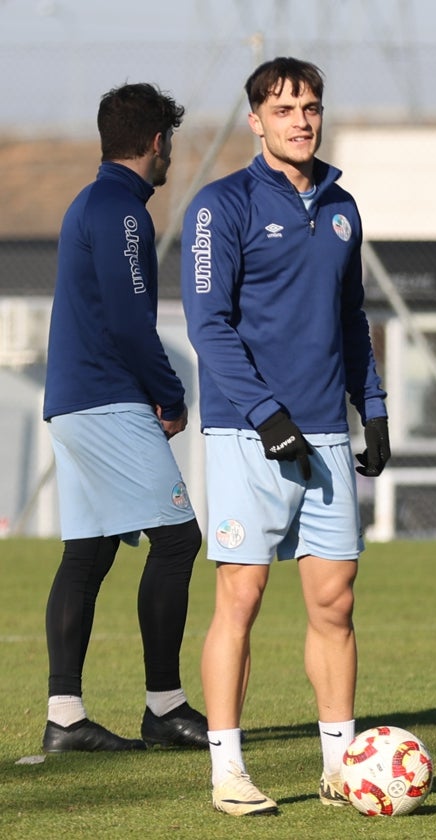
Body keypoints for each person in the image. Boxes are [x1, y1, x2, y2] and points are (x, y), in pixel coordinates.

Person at [180, 57, 390, 816]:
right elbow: (208, 325)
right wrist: (268, 417)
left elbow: (351, 319)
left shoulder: (342, 207)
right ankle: (228, 770)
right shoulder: (219, 206)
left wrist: (374, 407)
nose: (300, 120)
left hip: (326, 431)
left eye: (310, 106)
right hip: (248, 432)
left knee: (334, 601)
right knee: (242, 593)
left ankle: (342, 768)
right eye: (283, 109)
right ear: (255, 122)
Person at [41, 83, 206, 755]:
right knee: (177, 541)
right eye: (172, 144)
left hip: (73, 402)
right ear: (158, 142)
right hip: (107, 400)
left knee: (89, 550)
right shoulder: (121, 213)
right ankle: (164, 707)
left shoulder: (93, 201)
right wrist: (169, 395)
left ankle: (66, 720)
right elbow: (131, 323)